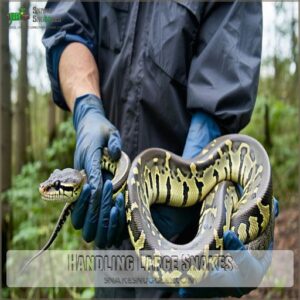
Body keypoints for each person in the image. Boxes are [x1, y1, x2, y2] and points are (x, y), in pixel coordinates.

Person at [43, 1, 278, 298]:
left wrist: (197, 161)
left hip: (191, 242)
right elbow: (64, 22)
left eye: (54, 187)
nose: (48, 190)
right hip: (113, 263)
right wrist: (86, 107)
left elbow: (228, 59)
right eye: (54, 187)